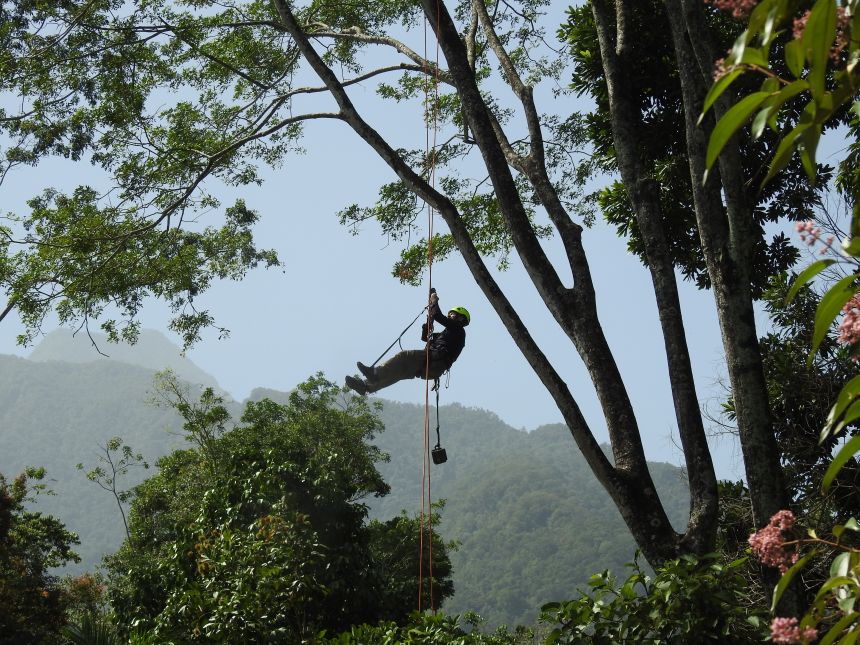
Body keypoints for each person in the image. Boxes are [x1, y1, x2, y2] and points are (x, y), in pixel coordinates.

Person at [345, 290, 470, 395]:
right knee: (399, 372)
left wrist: (434, 301)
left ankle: (375, 373)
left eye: (452, 315)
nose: (449, 317)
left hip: (434, 361)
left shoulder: (459, 330)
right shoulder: (447, 335)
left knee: (404, 356)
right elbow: (426, 339)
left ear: (460, 318)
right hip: (433, 366)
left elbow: (438, 315)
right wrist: (426, 326)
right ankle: (366, 387)